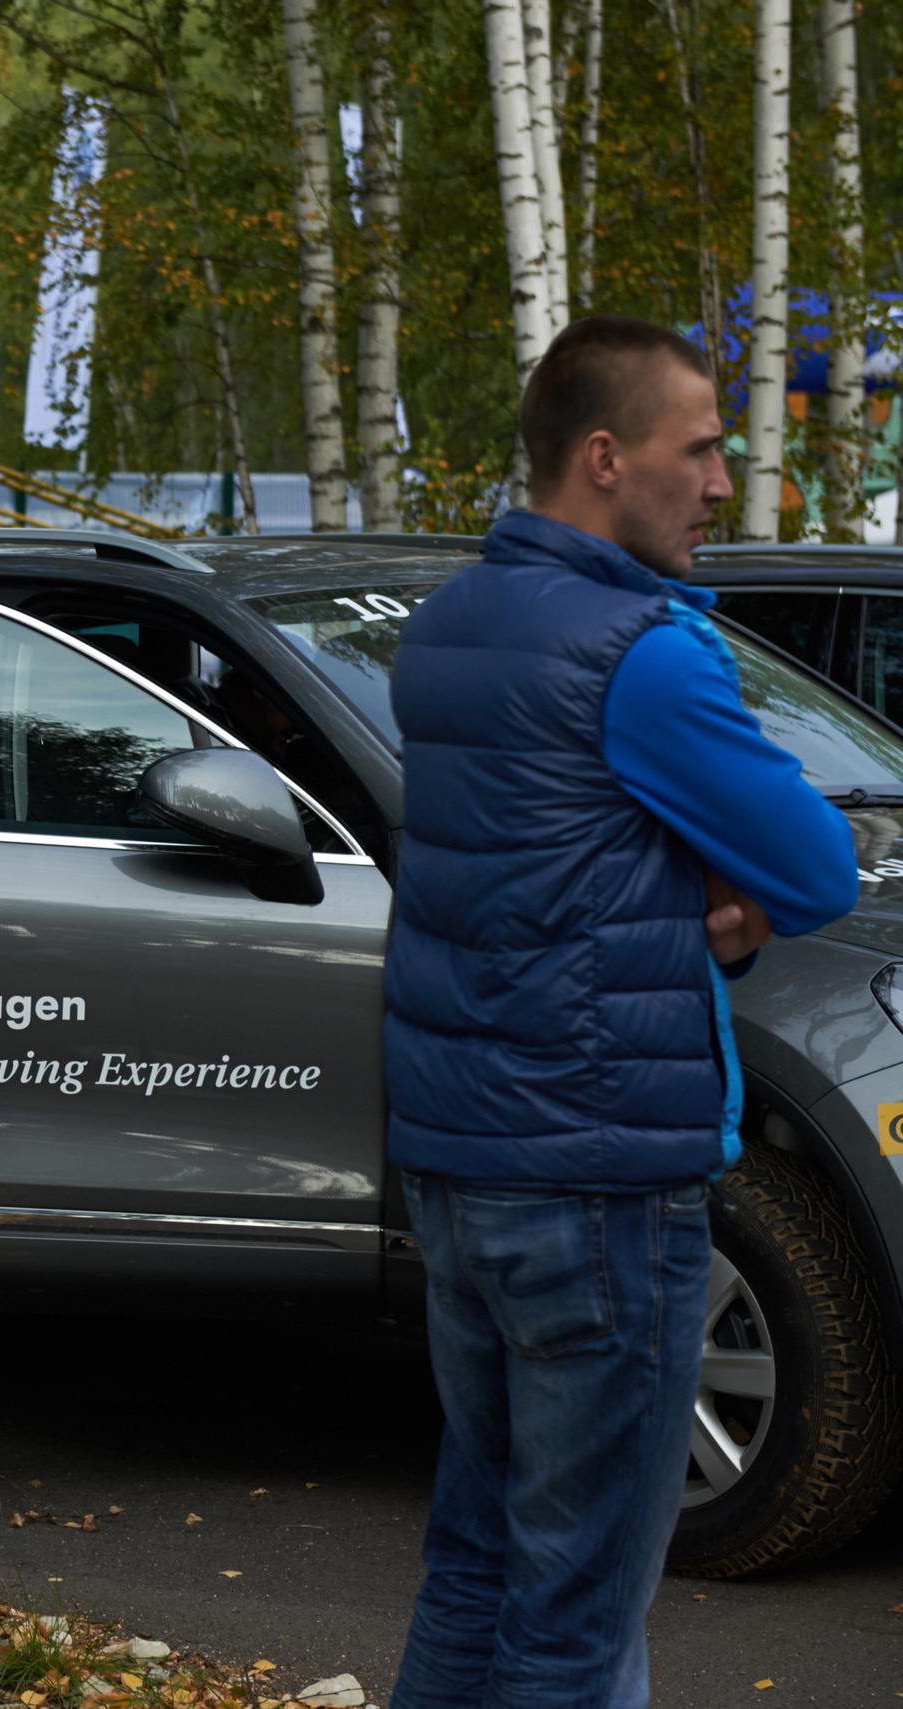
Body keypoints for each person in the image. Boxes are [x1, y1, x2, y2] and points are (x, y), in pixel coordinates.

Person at [383, 317, 859, 1707]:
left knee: (477, 1558)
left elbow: (546, 863)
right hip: (599, 1180)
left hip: (466, 1170)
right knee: (580, 1614)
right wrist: (733, 891)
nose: (723, 482)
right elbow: (817, 867)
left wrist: (698, 890)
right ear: (605, 458)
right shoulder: (643, 652)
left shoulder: (450, 625)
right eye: (700, 448)